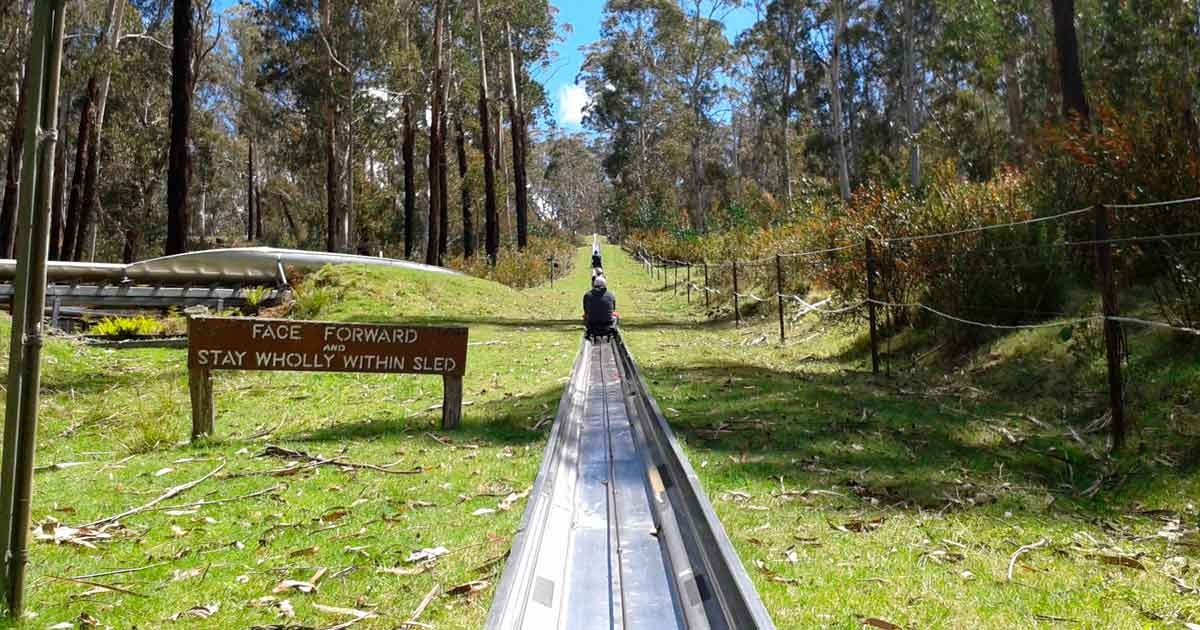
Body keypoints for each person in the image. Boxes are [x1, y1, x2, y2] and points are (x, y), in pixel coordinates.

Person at [583, 274, 618, 340]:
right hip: (607, 323)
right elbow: (613, 309)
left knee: (584, 316)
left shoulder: (587, 295)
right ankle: (614, 329)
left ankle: (588, 332)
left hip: (592, 323)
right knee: (616, 315)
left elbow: (585, 310)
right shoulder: (611, 295)